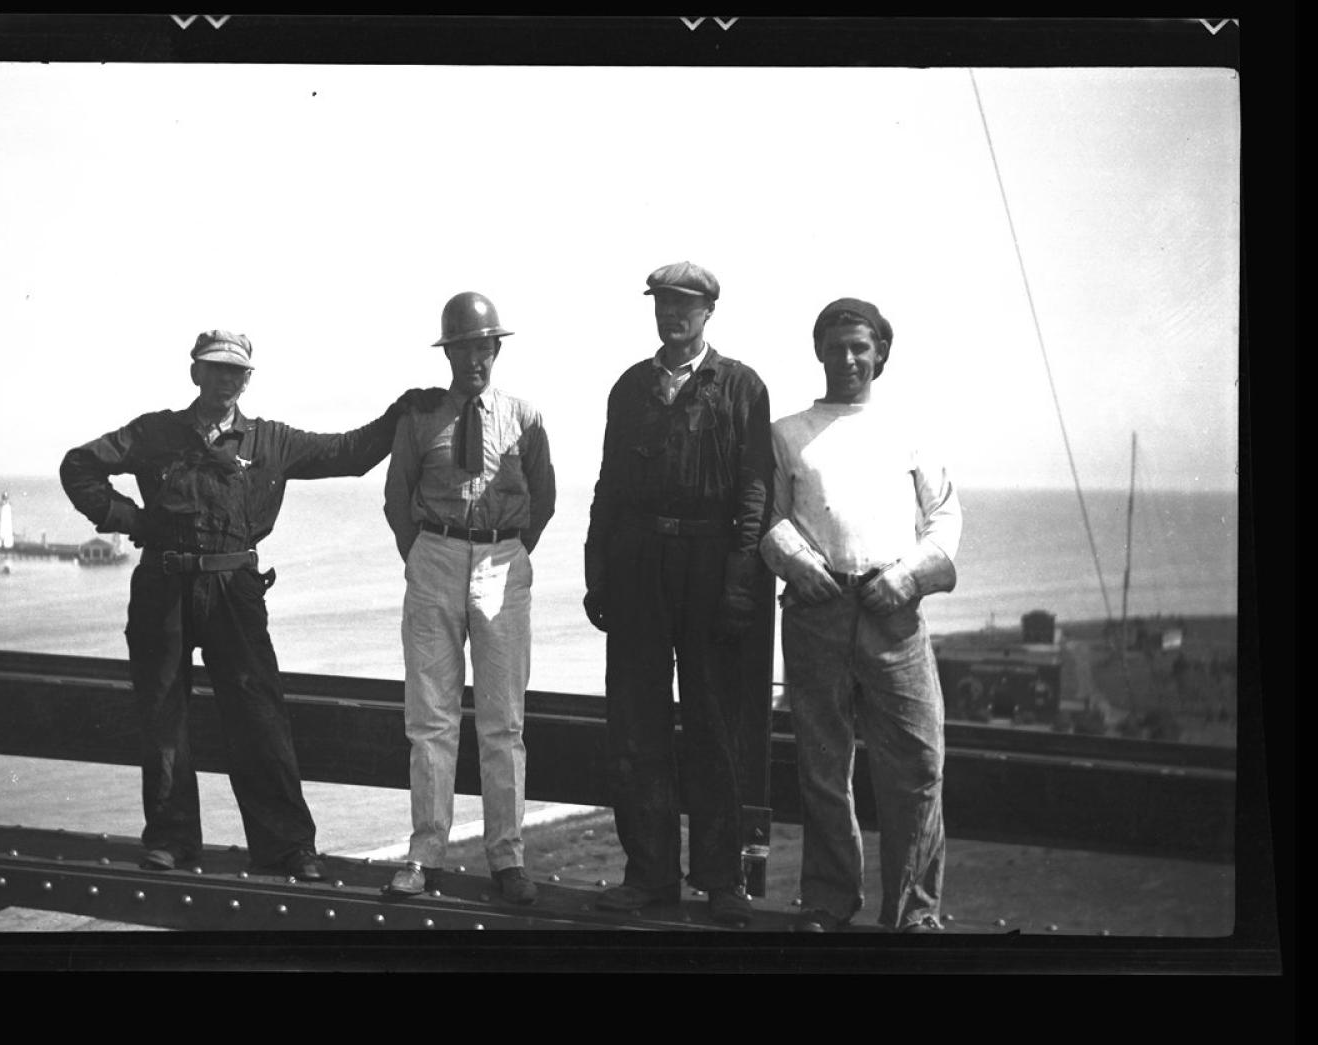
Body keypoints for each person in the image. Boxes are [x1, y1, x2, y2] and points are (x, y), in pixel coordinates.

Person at [60, 330, 442, 881]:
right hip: (161, 587)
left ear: (247, 380)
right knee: (163, 714)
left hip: (234, 591)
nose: (225, 379)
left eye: (236, 371)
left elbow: (350, 454)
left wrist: (400, 413)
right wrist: (131, 521)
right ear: (195, 373)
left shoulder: (271, 442)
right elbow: (79, 467)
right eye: (215, 369)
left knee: (259, 718)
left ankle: (287, 848)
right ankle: (170, 841)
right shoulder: (154, 432)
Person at [759, 298, 962, 933]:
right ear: (818, 351)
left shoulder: (909, 432)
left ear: (880, 355)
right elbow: (768, 516)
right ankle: (827, 901)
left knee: (918, 764)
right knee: (823, 766)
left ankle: (913, 914)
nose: (848, 359)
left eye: (860, 348)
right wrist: (799, 565)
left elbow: (946, 517)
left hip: (892, 613)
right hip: (816, 611)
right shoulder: (788, 431)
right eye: (836, 346)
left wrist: (904, 579)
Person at [583, 261, 773, 929]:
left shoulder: (742, 386)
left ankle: (720, 881)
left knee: (715, 724)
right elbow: (608, 480)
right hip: (638, 563)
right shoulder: (630, 388)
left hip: (710, 562)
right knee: (636, 723)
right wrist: (596, 564)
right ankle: (650, 874)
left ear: (709, 311)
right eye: (664, 302)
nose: (674, 314)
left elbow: (754, 491)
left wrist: (741, 578)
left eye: (687, 304)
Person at [381, 292, 556, 907]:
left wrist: (504, 550)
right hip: (434, 555)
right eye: (462, 348)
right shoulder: (420, 419)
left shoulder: (525, 418)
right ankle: (424, 853)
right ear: (448, 352)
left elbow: (544, 498)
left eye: (483, 346)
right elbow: (397, 497)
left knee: (504, 720)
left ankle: (507, 857)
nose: (473, 358)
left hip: (501, 560)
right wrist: (430, 554)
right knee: (430, 718)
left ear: (496, 349)